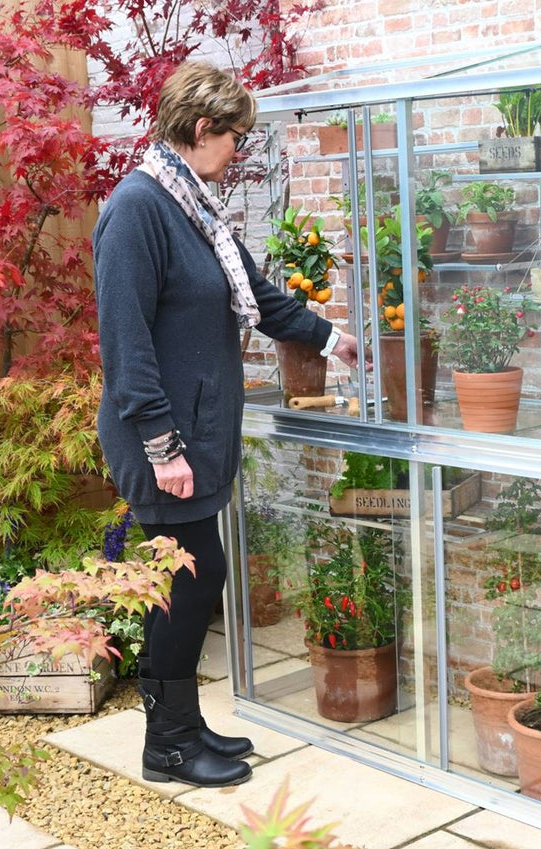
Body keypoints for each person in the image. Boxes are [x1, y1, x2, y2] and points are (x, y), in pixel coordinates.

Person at [93, 61, 360, 787]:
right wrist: (161, 446)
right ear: (201, 128)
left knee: (186, 577)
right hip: (163, 440)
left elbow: (261, 296)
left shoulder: (193, 206)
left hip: (194, 433)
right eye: (235, 137)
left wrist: (331, 338)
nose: (238, 152)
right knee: (192, 576)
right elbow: (126, 343)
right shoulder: (137, 210)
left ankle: (180, 725)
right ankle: (168, 745)